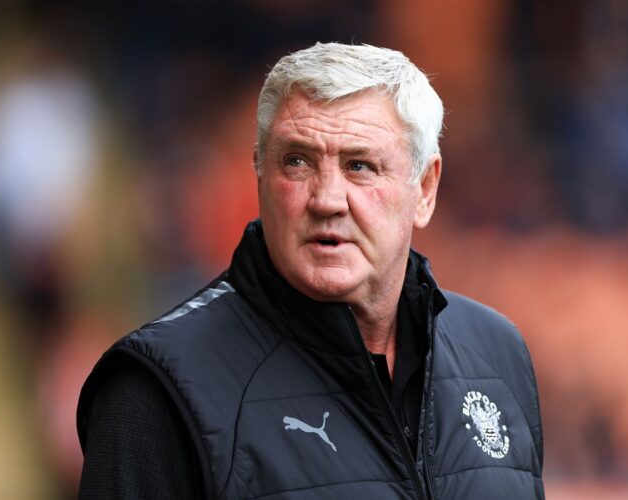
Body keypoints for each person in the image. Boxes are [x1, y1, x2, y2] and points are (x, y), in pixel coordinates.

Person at [77, 42, 544, 499]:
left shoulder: (497, 355)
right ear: (259, 173)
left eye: (359, 166)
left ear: (424, 189)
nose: (325, 199)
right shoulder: (157, 391)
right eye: (297, 162)